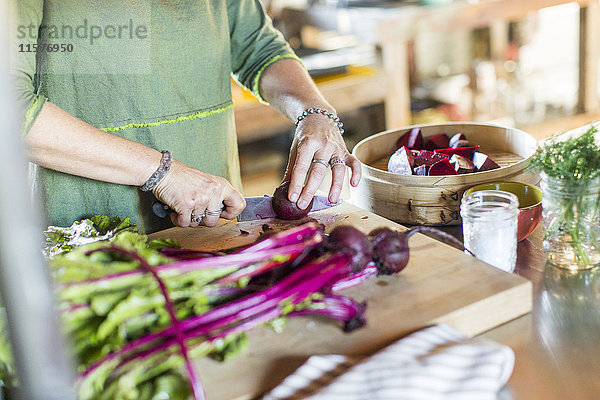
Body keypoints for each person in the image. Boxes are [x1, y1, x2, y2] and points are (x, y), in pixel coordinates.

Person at [11, 0, 362, 233]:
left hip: (210, 225)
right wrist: (161, 173)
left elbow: (257, 47)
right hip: (77, 236)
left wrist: (314, 114)